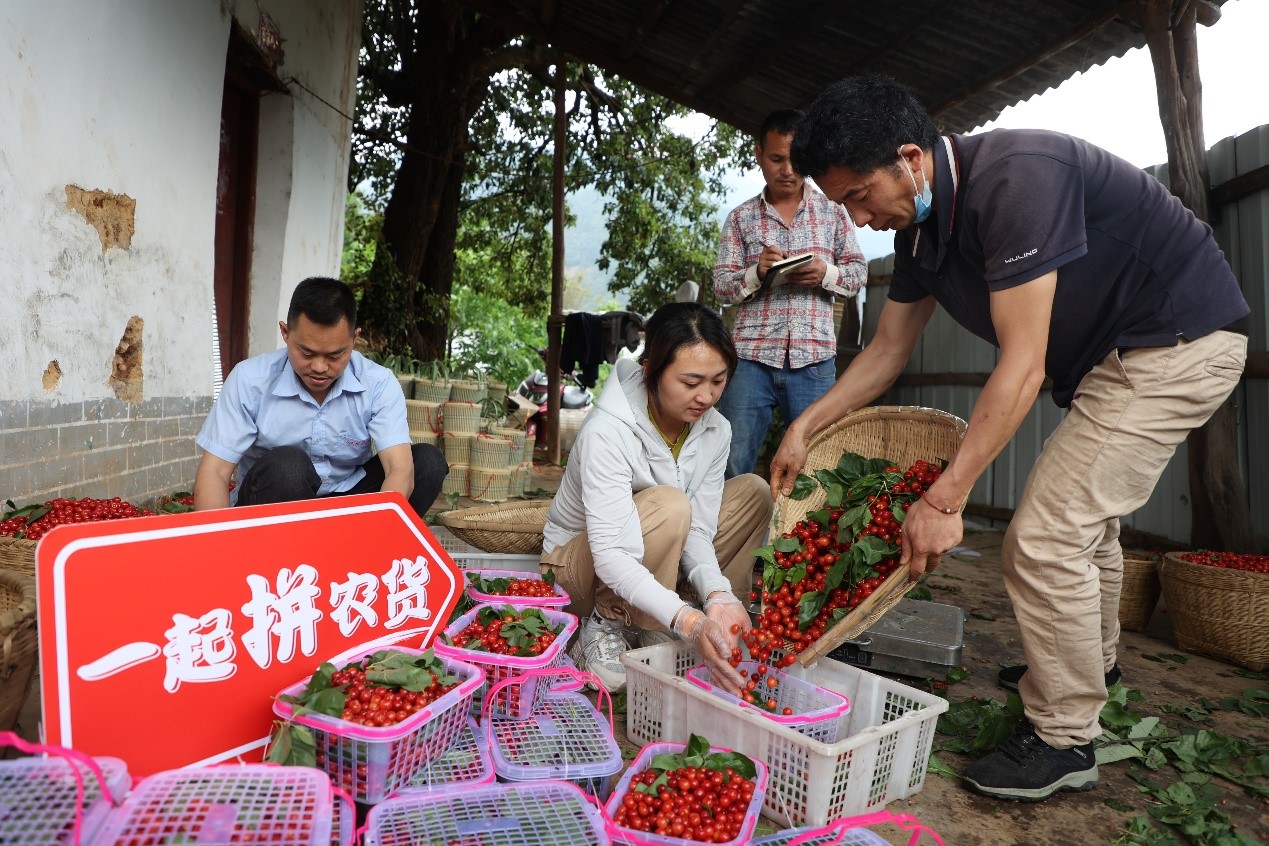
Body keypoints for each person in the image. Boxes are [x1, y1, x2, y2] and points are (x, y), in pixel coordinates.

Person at [771, 75, 1249, 802]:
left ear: (909, 158)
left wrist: (943, 497)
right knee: (1082, 531)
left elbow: (1020, 365)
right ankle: (1093, 668)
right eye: (843, 205)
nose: (860, 219)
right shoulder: (921, 231)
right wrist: (804, 426)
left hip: (1176, 344)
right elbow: (886, 350)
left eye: (860, 195)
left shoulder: (1018, 179)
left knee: (1043, 537)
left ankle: (1064, 739)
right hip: (1115, 359)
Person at [540, 302, 774, 694]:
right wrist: (686, 622)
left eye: (718, 381)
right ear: (651, 370)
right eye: (691, 382)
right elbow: (612, 553)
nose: (706, 396)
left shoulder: (717, 429)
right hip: (575, 570)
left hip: (651, 553)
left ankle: (697, 616)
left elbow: (698, 530)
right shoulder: (608, 431)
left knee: (754, 492)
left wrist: (717, 593)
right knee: (669, 502)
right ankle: (606, 624)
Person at [193, 276, 449, 516]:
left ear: (354, 339)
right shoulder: (249, 381)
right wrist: (218, 551)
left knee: (427, 463)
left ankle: (365, 553)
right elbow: (214, 471)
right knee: (288, 467)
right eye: (306, 352)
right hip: (273, 507)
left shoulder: (378, 384)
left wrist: (377, 529)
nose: (318, 367)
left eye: (334, 356)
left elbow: (399, 469)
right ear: (285, 332)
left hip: (347, 503)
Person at [713, 108, 867, 479]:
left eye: (797, 161)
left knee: (816, 466)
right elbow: (720, 286)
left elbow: (858, 272)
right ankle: (731, 536)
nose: (788, 170)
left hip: (813, 359)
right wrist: (757, 273)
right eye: (777, 159)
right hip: (752, 358)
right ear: (759, 156)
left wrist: (825, 273)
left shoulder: (833, 211)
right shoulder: (740, 217)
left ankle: (802, 536)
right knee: (733, 463)